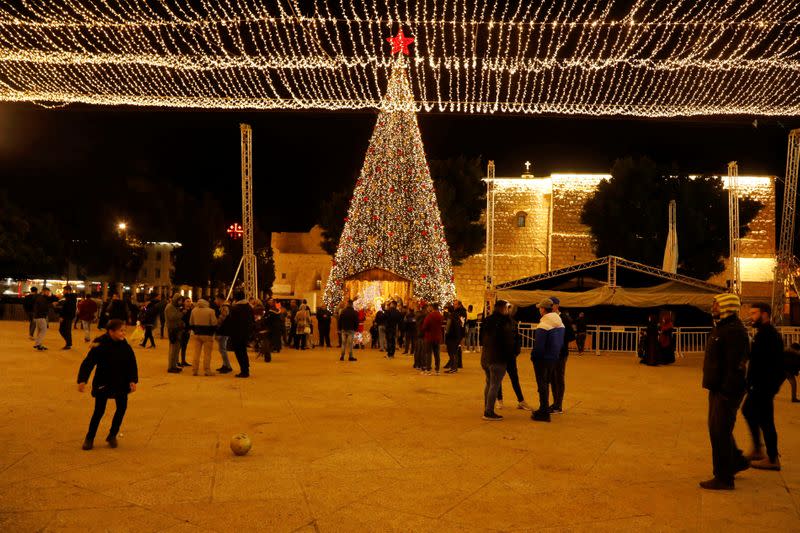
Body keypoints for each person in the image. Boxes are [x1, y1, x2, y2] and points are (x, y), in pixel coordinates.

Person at [700, 293, 750, 491]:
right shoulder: (721, 326)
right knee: (719, 429)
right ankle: (736, 461)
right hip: (717, 386)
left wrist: (727, 390)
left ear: (727, 307)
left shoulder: (734, 331)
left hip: (726, 390)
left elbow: (737, 365)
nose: (713, 306)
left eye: (716, 303)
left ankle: (723, 477)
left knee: (719, 431)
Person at [76, 319, 138, 450]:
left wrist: (133, 380)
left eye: (124, 331)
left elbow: (131, 363)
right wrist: (83, 380)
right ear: (111, 331)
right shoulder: (100, 345)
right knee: (99, 411)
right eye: (121, 331)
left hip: (121, 382)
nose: (123, 333)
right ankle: (89, 437)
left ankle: (112, 435)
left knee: (121, 408)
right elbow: (88, 363)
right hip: (103, 382)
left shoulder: (125, 345)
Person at [742, 302, 785, 471]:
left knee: (766, 420)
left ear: (765, 314)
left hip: (763, 386)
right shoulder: (762, 334)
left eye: (754, 313)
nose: (751, 317)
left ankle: (772, 458)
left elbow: (774, 364)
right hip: (758, 385)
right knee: (748, 411)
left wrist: (769, 386)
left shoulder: (769, 335)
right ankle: (758, 449)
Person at [480, 300, 516, 421]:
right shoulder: (505, 322)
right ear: (503, 308)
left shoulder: (487, 320)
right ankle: (489, 412)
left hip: (486, 357)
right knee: (494, 385)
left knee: (489, 383)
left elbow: (481, 338)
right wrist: (511, 355)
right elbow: (508, 341)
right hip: (498, 358)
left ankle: (487, 407)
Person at [530, 299, 565, 422]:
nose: (539, 310)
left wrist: (533, 357)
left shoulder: (543, 325)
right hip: (553, 358)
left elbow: (539, 346)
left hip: (542, 359)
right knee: (547, 383)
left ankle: (543, 411)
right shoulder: (560, 323)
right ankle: (544, 408)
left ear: (543, 309)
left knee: (542, 385)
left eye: (540, 308)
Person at [497, 305, 533, 411]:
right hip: (500, 356)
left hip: (510, 356)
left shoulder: (513, 323)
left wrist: (516, 351)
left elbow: (517, 338)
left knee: (514, 379)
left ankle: (521, 401)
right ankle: (499, 400)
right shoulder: (498, 323)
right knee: (498, 379)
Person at [222, 292, 255, 378]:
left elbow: (230, 321)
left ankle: (244, 371)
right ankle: (246, 369)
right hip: (246, 334)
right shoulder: (249, 307)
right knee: (243, 352)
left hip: (237, 334)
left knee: (239, 353)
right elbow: (252, 321)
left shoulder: (235, 308)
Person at [550, 297, 574, 414]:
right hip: (551, 353)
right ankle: (555, 403)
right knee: (552, 378)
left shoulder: (564, 318)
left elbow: (571, 336)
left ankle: (558, 405)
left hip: (561, 353)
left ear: (557, 305)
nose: (550, 307)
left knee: (558, 377)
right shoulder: (548, 318)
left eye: (552, 305)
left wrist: (559, 339)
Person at [188, 299, 217, 376]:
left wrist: (195, 329)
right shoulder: (211, 311)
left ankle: (195, 370)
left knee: (196, 353)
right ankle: (207, 370)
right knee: (207, 354)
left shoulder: (194, 310)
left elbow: (191, 323)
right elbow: (214, 323)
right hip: (208, 334)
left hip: (197, 333)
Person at [421, 303, 444, 375]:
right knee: (437, 354)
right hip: (437, 337)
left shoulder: (429, 316)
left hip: (429, 337)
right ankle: (437, 370)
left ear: (432, 308)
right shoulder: (440, 316)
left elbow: (425, 326)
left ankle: (428, 370)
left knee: (428, 354)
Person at [165, 294, 185, 373]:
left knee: (176, 349)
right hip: (173, 330)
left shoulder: (174, 307)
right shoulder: (170, 307)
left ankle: (174, 365)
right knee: (173, 349)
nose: (180, 302)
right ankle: (171, 367)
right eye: (179, 300)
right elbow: (172, 317)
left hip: (177, 329)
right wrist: (182, 313)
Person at [213, 295, 233, 373]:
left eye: (216, 299)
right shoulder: (227, 306)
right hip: (225, 330)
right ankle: (225, 365)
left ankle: (228, 366)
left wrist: (216, 326)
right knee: (222, 349)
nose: (215, 301)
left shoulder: (225, 307)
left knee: (222, 349)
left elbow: (221, 319)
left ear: (220, 299)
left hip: (223, 331)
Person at [57, 285, 78, 350]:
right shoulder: (70, 298)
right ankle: (68, 343)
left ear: (68, 291)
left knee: (65, 330)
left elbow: (67, 308)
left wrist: (62, 316)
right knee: (64, 330)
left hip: (67, 317)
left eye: (64, 290)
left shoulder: (70, 298)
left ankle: (68, 344)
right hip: (68, 316)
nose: (63, 292)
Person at [33, 287, 52, 351]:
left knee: (39, 331)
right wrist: (51, 305)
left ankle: (39, 344)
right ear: (43, 292)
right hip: (40, 316)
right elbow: (43, 307)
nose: (48, 293)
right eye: (47, 292)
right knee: (43, 330)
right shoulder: (42, 298)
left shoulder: (40, 298)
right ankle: (37, 344)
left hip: (38, 316)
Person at [413, 304, 428, 370]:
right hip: (422, 335)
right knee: (422, 350)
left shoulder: (418, 315)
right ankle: (421, 364)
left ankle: (417, 364)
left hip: (418, 334)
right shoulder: (424, 316)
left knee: (418, 350)